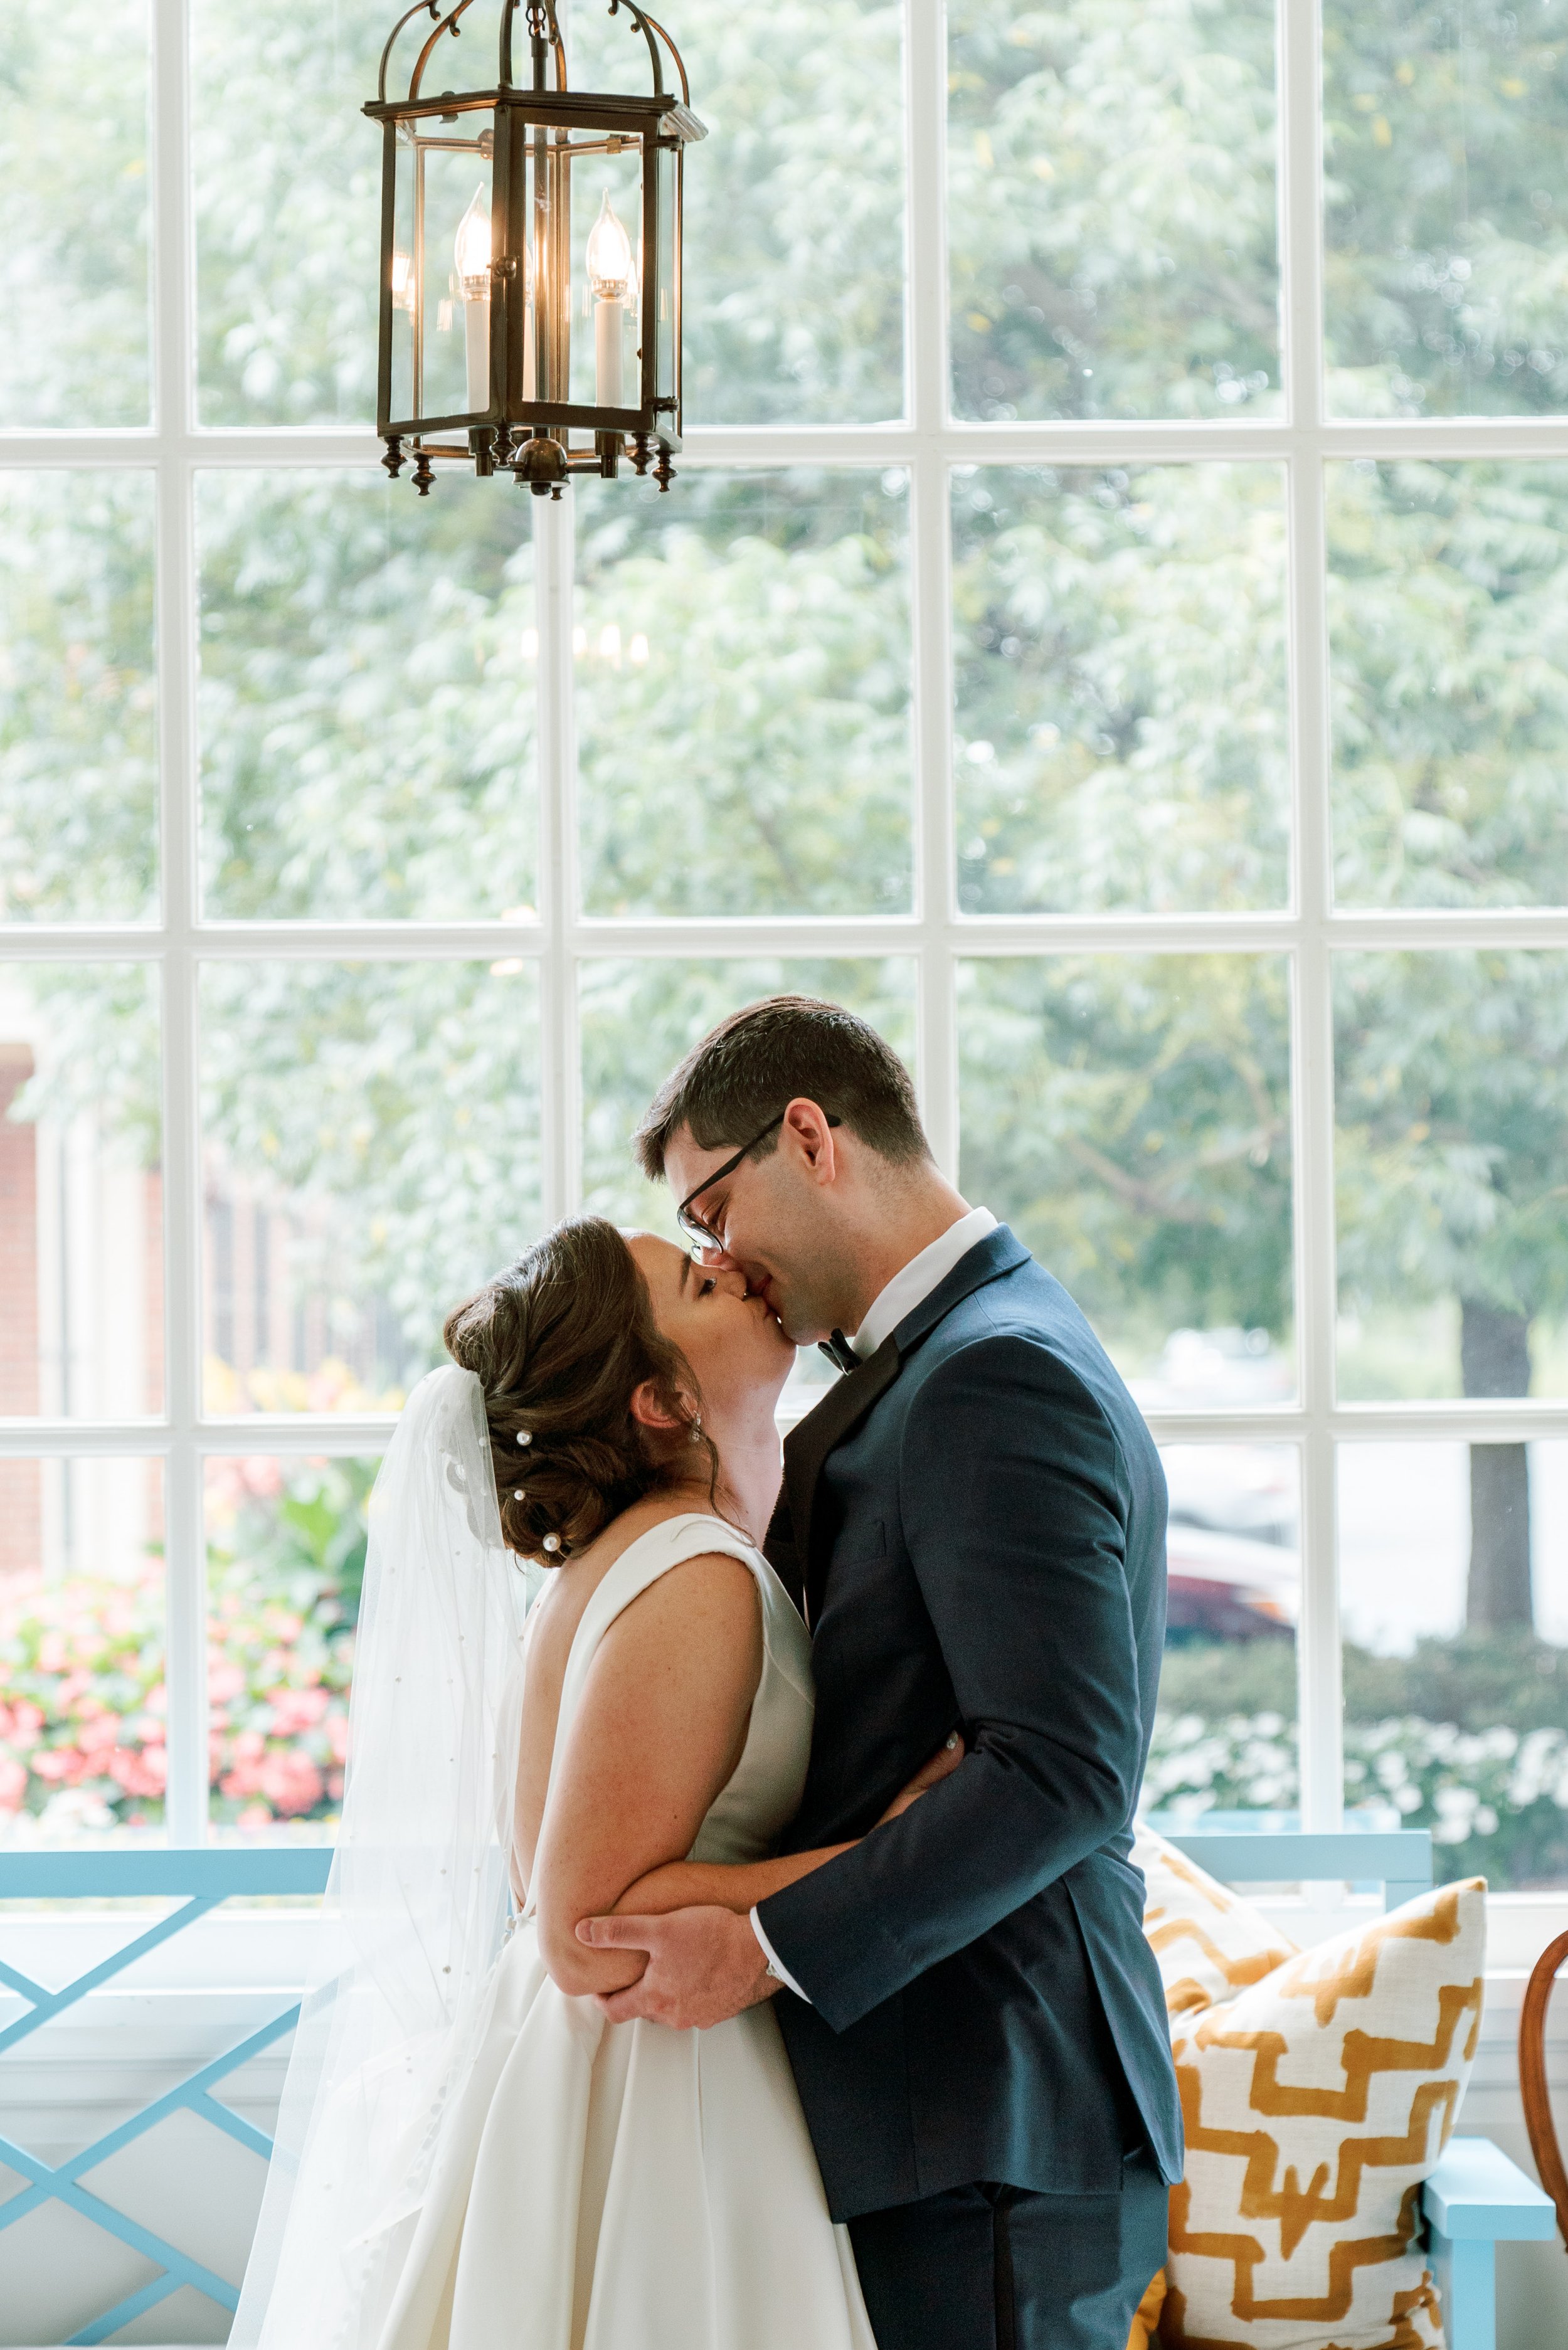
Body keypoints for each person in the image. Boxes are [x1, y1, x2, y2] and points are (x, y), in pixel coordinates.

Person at [231, 1212, 957, 2350]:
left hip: (610, 2065)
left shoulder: (642, 1558)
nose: (725, 1265)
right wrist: (892, 1854)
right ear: (661, 1402)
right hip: (659, 2090)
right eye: (696, 1285)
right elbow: (585, 1926)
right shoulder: (692, 1575)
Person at [578, 995, 1183, 2350]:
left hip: (989, 2098)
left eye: (713, 1212)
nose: (721, 1261)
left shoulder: (991, 1374)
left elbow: (1061, 1769)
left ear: (807, 1135)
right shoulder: (955, 1352)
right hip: (945, 2103)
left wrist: (762, 1945)